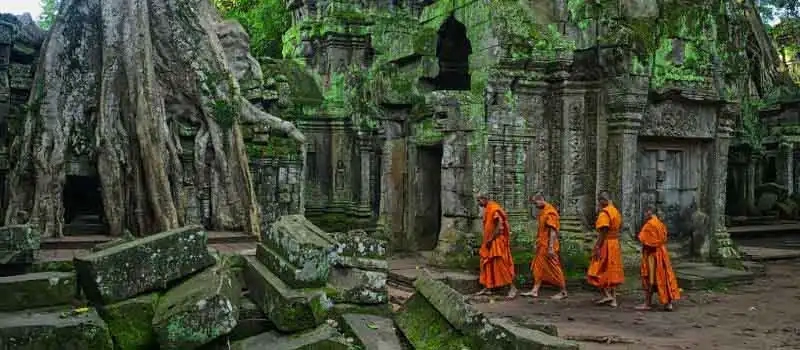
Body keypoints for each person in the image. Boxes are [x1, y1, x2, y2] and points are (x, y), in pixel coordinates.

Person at [521, 195, 568, 299]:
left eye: (535, 203)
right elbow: (542, 230)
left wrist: (550, 247)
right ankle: (535, 290)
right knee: (538, 268)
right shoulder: (543, 212)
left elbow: (553, 231)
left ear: (541, 200)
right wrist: (537, 242)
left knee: (554, 267)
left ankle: (563, 291)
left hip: (548, 245)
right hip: (542, 245)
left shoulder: (550, 212)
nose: (535, 205)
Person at [637, 207, 681, 311]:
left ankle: (648, 303)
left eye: (645, 212)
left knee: (649, 278)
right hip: (662, 253)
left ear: (649, 212)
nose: (644, 215)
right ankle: (668, 303)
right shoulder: (660, 224)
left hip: (652, 255)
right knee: (665, 277)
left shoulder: (649, 225)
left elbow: (646, 241)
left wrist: (645, 249)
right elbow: (664, 238)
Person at [586, 191, 625, 307]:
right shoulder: (615, 211)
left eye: (599, 202)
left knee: (596, 269)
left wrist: (597, 246)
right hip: (615, 243)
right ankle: (613, 299)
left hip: (606, 243)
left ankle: (607, 294)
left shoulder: (605, 213)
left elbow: (603, 232)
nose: (598, 205)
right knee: (612, 270)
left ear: (603, 201)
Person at [475, 194, 517, 299]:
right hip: (489, 242)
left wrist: (491, 238)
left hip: (496, 241)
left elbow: (500, 224)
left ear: (484, 199)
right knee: (486, 264)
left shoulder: (494, 208)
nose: (478, 203)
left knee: (500, 264)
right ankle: (488, 287)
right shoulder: (488, 208)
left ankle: (512, 288)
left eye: (479, 200)